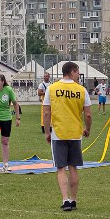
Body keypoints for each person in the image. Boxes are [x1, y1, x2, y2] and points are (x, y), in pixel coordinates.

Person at [42, 61, 92, 210]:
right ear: (71, 72)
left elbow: (46, 112)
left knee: (61, 167)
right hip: (75, 133)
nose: (78, 75)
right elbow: (88, 114)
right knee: (73, 167)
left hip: (58, 132)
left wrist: (47, 132)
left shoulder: (52, 89)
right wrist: (87, 129)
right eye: (77, 72)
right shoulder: (82, 90)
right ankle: (74, 199)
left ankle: (65, 200)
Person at [37, 72, 52, 136]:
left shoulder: (51, 84)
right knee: (44, 114)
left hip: (51, 102)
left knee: (51, 114)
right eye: (44, 76)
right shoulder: (41, 85)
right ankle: (43, 127)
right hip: (44, 102)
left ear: (49, 77)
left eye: (46, 76)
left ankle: (51, 127)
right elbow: (39, 93)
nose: (45, 77)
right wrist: (45, 92)